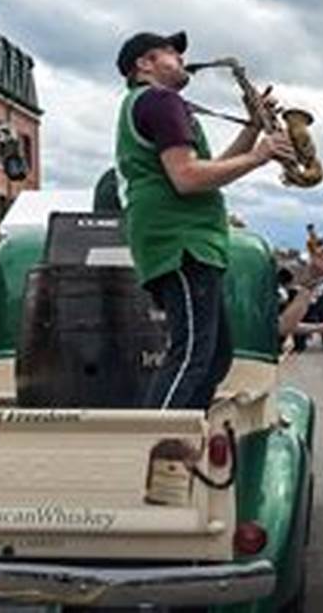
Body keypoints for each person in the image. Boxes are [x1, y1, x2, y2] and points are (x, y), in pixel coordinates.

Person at [114, 30, 296, 410]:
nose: (182, 58)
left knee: (215, 357)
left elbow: (207, 168)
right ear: (144, 64)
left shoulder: (154, 104)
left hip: (184, 242)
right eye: (170, 53)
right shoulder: (161, 101)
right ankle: (151, 445)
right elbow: (187, 177)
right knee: (192, 354)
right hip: (182, 244)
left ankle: (187, 433)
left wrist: (252, 127)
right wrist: (259, 156)